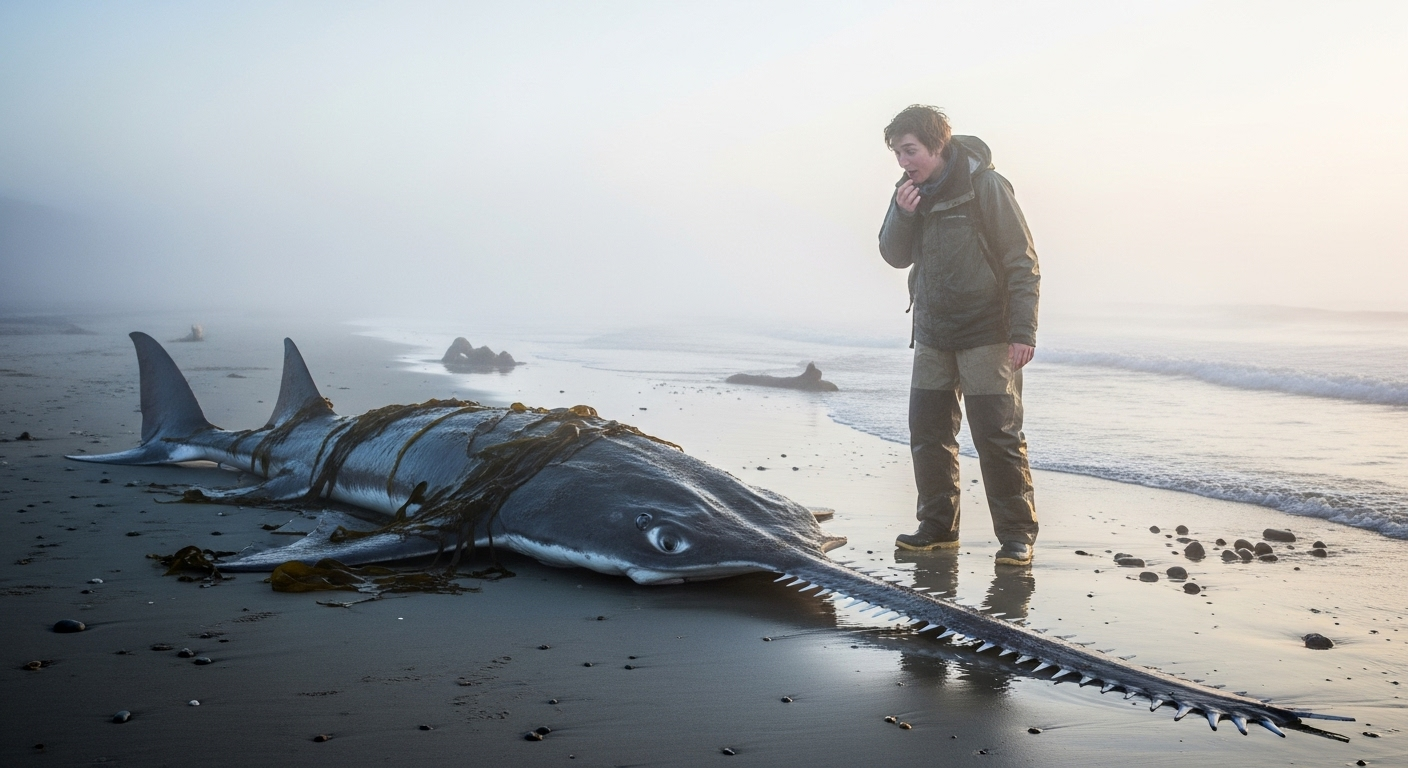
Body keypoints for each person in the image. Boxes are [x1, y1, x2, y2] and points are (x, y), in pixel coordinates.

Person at [877, 104, 1040, 566]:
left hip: (987, 332)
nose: (903, 161)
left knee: (997, 436)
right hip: (932, 333)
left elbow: (1022, 260)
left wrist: (1023, 330)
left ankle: (1016, 536)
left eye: (910, 150)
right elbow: (894, 255)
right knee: (928, 434)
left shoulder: (986, 185)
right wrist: (903, 214)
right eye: (897, 153)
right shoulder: (907, 191)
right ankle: (938, 528)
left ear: (937, 145)